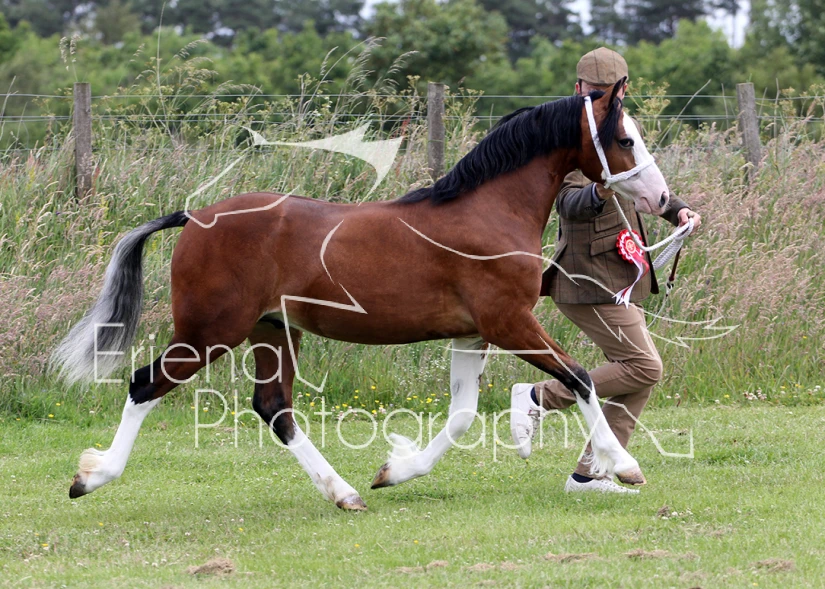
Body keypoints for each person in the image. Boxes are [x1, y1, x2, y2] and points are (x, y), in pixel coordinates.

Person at [509, 47, 702, 494]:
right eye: (591, 92)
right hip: (586, 278)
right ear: (577, 88)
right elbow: (568, 204)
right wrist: (599, 189)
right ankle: (538, 397)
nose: (597, 99)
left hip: (620, 276)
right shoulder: (569, 134)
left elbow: (644, 184)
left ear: (623, 90)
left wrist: (677, 210)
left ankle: (588, 475)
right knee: (644, 366)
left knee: (638, 377)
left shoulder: (623, 128)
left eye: (606, 93)